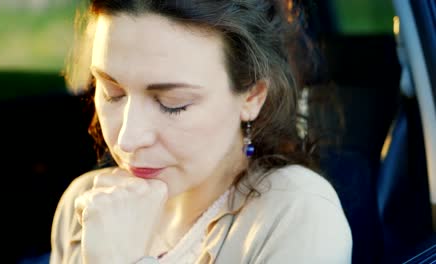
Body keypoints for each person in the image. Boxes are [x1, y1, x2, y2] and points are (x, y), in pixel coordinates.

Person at [50, 0, 353, 263]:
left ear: (252, 97)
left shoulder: (297, 214)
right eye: (112, 93)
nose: (128, 139)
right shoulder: (86, 204)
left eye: (172, 104)